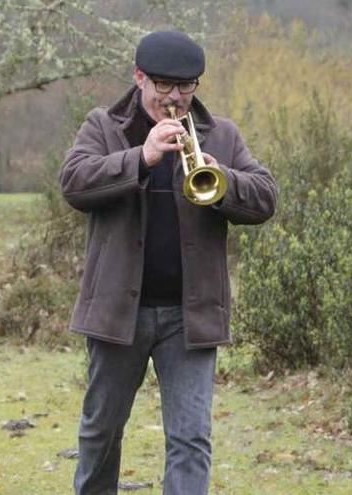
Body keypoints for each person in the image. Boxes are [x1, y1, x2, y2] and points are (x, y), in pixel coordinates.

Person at [59, 31, 278, 495]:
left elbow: (265, 198)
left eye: (187, 86)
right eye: (164, 86)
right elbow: (74, 183)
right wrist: (142, 156)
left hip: (190, 314)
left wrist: (224, 179)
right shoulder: (104, 125)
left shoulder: (222, 133)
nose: (176, 97)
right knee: (101, 430)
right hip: (119, 311)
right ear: (139, 77)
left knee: (191, 438)